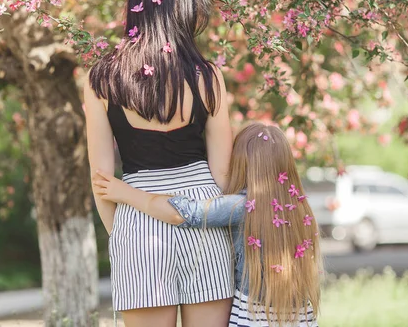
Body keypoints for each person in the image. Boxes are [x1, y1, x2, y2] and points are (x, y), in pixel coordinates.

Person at [83, 0, 234, 327]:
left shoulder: (101, 79)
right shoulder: (207, 77)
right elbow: (224, 175)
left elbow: (101, 179)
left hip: (136, 219)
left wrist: (123, 231)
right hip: (203, 218)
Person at [93, 123, 322, 327]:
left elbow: (183, 213)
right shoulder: (300, 209)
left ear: (241, 162)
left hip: (250, 319)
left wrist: (126, 194)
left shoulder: (241, 206)